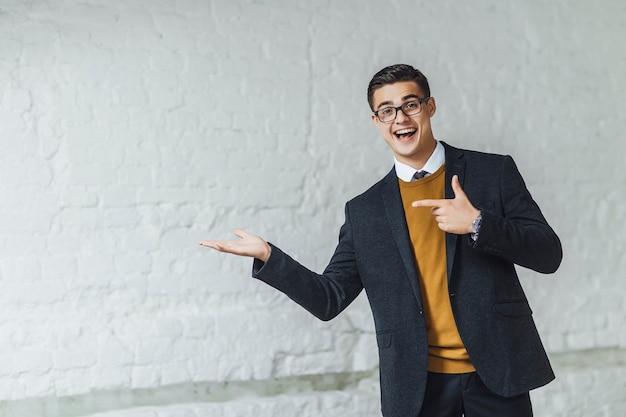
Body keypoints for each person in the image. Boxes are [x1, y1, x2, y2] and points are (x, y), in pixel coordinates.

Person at [199, 64, 562, 417]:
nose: (400, 118)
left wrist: (480, 223)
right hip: (417, 383)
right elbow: (330, 298)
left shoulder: (492, 173)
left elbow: (549, 255)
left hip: (497, 372)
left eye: (410, 104)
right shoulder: (365, 211)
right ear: (376, 122)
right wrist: (268, 256)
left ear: (430, 106)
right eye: (387, 111)